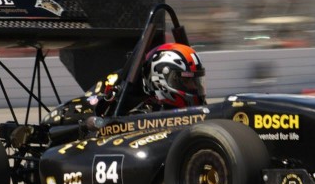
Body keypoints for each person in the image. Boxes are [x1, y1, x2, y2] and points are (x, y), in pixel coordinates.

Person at [43, 42, 206, 128]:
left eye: (195, 81)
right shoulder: (142, 115)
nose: (193, 87)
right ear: (162, 80)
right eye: (187, 81)